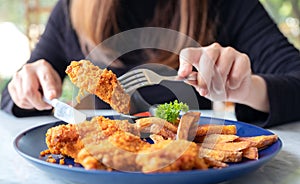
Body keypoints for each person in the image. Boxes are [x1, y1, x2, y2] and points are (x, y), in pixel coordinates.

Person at [1, 0, 300, 128]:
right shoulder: (73, 9)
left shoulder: (227, 5)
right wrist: (26, 86)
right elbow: (14, 97)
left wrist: (246, 90)